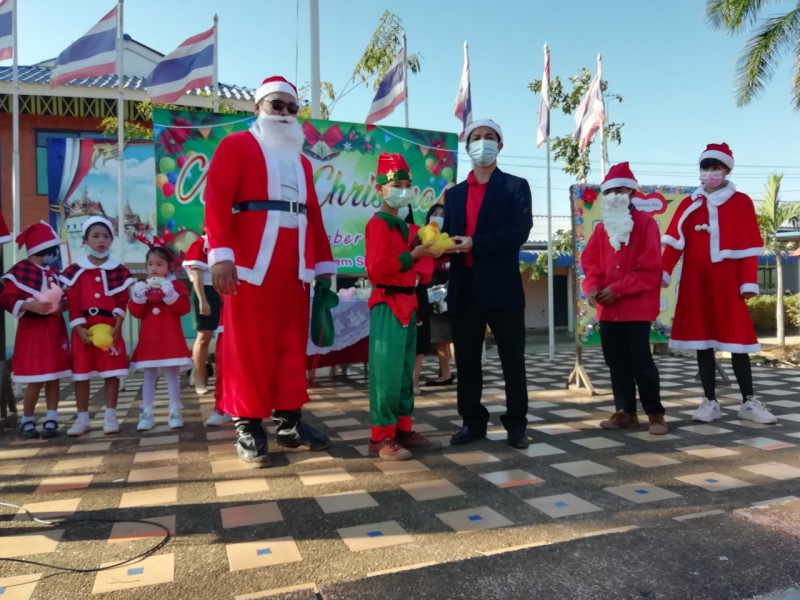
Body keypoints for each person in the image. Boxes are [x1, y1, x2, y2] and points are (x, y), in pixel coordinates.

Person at [204, 75, 336, 466]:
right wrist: (221, 255)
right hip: (249, 264)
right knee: (248, 346)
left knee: (291, 345)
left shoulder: (302, 161)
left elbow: (313, 214)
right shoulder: (236, 145)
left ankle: (289, 423)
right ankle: (247, 425)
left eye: (291, 107)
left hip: (295, 264)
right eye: (276, 105)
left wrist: (323, 265)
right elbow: (217, 199)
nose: (284, 112)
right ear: (257, 107)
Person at [662, 143, 775, 424]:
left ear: (726, 170)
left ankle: (748, 402)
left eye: (716, 167)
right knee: (703, 343)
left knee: (738, 343)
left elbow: (749, 247)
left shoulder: (741, 202)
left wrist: (748, 283)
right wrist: (663, 272)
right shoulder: (689, 203)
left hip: (728, 284)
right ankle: (710, 402)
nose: (711, 172)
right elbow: (674, 243)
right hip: (696, 283)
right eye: (706, 167)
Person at [442, 119, 533, 449]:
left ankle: (516, 424)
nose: (482, 143)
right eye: (476, 138)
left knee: (513, 360)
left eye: (489, 137)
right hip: (464, 287)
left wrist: (475, 243)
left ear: (500, 145)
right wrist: (439, 242)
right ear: (467, 147)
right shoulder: (454, 194)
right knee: (466, 360)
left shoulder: (515, 186)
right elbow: (445, 233)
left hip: (502, 286)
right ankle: (472, 421)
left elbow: (519, 231)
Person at [365, 152, 442, 460]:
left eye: (407, 185)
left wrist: (430, 250)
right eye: (397, 185)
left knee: (405, 372)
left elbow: (422, 271)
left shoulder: (408, 228)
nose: (403, 191)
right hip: (388, 304)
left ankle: (403, 429)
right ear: (380, 188)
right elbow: (376, 269)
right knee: (386, 372)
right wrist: (413, 256)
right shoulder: (379, 224)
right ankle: (380, 437)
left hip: (410, 304)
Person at [581, 163, 667, 434]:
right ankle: (626, 411)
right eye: (609, 191)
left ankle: (655, 414)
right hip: (608, 310)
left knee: (641, 362)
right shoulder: (601, 229)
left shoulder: (646, 224)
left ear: (631, 192)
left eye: (620, 190)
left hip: (636, 308)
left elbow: (650, 268)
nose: (614, 195)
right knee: (616, 362)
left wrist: (618, 289)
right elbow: (591, 265)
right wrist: (592, 289)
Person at [60, 216, 134, 435]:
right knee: (81, 375)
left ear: (112, 239)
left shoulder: (119, 270)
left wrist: (118, 325)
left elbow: (122, 300)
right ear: (85, 240)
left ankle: (110, 417)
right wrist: (78, 328)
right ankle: (82, 419)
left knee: (112, 373)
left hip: (111, 328)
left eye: (106, 236)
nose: (101, 240)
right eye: (95, 236)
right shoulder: (74, 271)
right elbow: (73, 302)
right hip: (82, 329)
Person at [0, 222, 71, 439]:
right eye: (53, 249)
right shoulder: (20, 270)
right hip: (33, 332)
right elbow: (7, 298)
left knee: (54, 376)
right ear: (44, 249)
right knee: (35, 378)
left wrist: (61, 306)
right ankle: (27, 420)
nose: (55, 254)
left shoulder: (55, 272)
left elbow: (65, 298)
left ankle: (51, 419)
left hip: (54, 330)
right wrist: (29, 305)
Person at [129, 243, 193, 431]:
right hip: (149, 339)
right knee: (149, 375)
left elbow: (183, 308)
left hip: (170, 338)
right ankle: (147, 413)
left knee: (172, 374)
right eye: (150, 264)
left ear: (169, 266)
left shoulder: (176, 285)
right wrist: (138, 298)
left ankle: (174, 411)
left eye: (159, 264)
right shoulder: (142, 286)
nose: (154, 268)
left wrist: (170, 295)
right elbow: (136, 313)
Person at [183, 232, 222, 396]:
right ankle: (200, 379)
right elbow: (196, 274)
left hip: (225, 291)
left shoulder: (227, 243)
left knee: (225, 336)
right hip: (206, 292)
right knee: (204, 336)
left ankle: (222, 378)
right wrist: (202, 300)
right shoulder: (200, 244)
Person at [422, 203, 455, 387]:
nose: (438, 217)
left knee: (453, 334)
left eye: (442, 215)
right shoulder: (424, 237)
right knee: (440, 335)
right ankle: (445, 373)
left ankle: (450, 373)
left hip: (452, 288)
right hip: (433, 290)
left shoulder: (452, 237)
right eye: (435, 213)